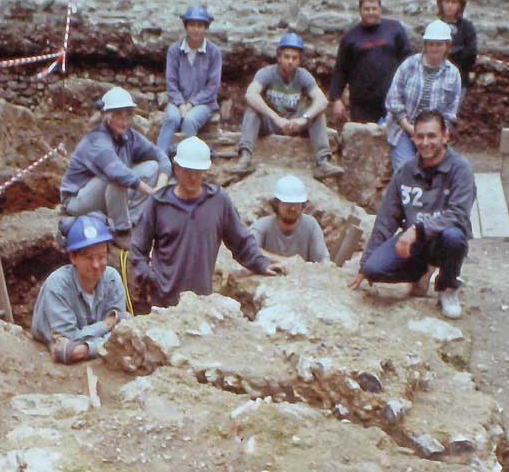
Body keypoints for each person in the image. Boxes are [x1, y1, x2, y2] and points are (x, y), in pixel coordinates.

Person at [130, 135, 285, 308]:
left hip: (201, 302)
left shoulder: (218, 202)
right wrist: (148, 277)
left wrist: (261, 264)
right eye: (188, 171)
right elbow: (137, 249)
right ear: (177, 169)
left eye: (198, 172)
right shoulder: (158, 204)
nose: (193, 177)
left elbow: (240, 242)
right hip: (164, 301)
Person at [350, 110, 475, 319]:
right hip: (414, 244)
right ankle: (421, 273)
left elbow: (459, 214)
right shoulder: (405, 171)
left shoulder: (461, 169)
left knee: (455, 238)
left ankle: (447, 286)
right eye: (420, 136)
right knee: (374, 269)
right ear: (413, 137)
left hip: (442, 239)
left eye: (432, 135)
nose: (425, 142)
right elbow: (386, 219)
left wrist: (418, 229)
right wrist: (365, 265)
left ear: (445, 136)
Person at [60, 86, 171, 249]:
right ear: (107, 117)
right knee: (117, 179)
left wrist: (161, 185)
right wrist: (151, 192)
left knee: (152, 167)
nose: (124, 122)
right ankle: (122, 231)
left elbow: (160, 156)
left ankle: (132, 220)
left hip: (104, 193)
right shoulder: (97, 140)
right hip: (77, 200)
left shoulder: (130, 136)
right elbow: (116, 172)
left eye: (128, 116)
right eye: (119, 116)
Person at [236, 33, 344, 178]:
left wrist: (304, 119)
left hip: (295, 122)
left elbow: (322, 100)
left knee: (318, 114)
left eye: (295, 58)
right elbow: (250, 94)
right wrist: (275, 118)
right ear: (279, 57)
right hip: (272, 122)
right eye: (286, 57)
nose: (290, 61)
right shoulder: (267, 73)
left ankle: (323, 162)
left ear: (299, 60)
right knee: (252, 111)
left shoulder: (303, 75)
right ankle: (245, 157)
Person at [31, 214, 127, 363]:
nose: (96, 265)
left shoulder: (112, 278)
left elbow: (120, 328)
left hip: (85, 342)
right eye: (89, 258)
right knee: (69, 351)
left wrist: (87, 349)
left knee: (77, 351)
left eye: (101, 257)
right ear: (73, 258)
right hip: (62, 337)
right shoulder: (57, 285)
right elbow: (69, 337)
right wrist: (106, 325)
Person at [384, 20, 462, 172]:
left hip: (434, 134)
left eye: (439, 44)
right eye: (431, 44)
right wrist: (409, 127)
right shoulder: (409, 65)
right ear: (425, 45)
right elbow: (393, 98)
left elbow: (450, 111)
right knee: (405, 171)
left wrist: (438, 136)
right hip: (404, 129)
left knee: (439, 172)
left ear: (447, 46)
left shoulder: (453, 74)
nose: (434, 48)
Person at [328, 0, 412, 124]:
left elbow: (408, 60)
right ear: (360, 11)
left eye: (374, 9)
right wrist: (337, 99)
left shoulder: (395, 29)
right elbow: (341, 70)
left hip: (393, 97)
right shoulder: (350, 37)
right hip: (362, 101)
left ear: (380, 9)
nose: (371, 12)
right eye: (367, 9)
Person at [157, 5, 222, 155]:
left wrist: (192, 103)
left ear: (205, 27)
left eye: (200, 25)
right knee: (171, 119)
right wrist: (180, 104)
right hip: (178, 101)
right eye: (192, 25)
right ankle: (160, 159)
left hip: (204, 103)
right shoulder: (174, 51)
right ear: (186, 27)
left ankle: (189, 161)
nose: (196, 29)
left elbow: (212, 87)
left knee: (189, 121)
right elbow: (171, 82)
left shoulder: (214, 53)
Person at [251, 174, 329, 262]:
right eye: (287, 203)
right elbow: (250, 250)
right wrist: (285, 261)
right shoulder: (262, 226)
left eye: (296, 204)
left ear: (303, 205)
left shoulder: (311, 225)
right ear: (277, 203)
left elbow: (322, 260)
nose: (292, 208)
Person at [437, 0, 477, 106]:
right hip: (436, 79)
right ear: (441, 3)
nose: (449, 6)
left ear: (460, 6)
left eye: (454, 2)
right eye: (447, 1)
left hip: (458, 80)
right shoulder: (435, 26)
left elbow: (471, 53)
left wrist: (453, 54)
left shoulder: (467, 27)